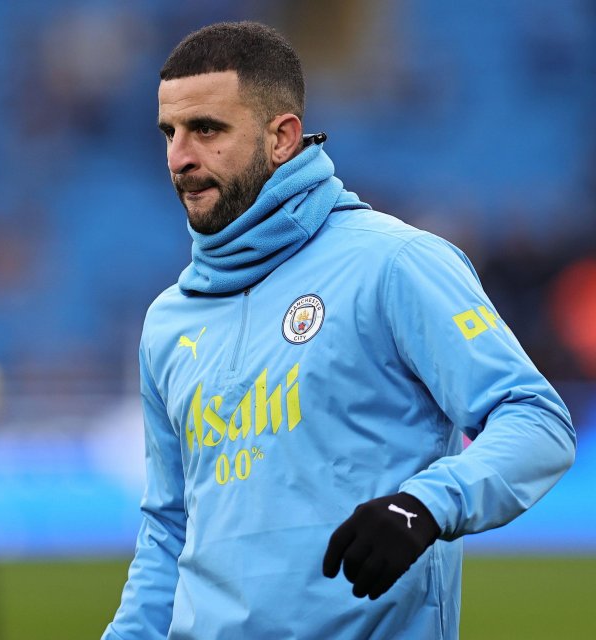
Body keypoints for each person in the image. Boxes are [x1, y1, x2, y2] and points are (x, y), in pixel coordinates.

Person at [102, 21, 575, 640]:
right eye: (170, 131)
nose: (179, 157)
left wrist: (427, 505)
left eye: (207, 129)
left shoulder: (394, 264)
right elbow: (170, 529)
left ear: (282, 137)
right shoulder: (169, 321)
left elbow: (537, 420)